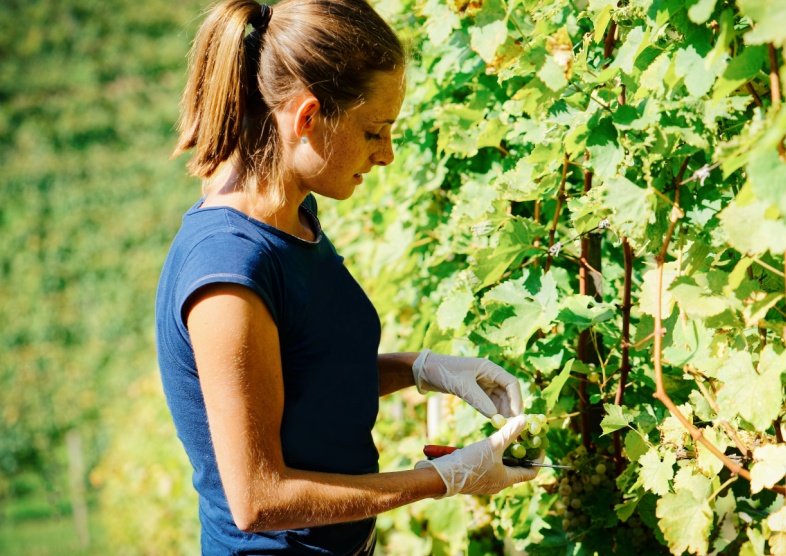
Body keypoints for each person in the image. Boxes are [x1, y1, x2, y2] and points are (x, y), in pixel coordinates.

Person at [154, 0, 539, 554]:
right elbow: (259, 500)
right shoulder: (229, 276)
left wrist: (423, 369)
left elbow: (305, 373)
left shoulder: (294, 217)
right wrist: (443, 479)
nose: (386, 154)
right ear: (308, 118)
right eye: (374, 131)